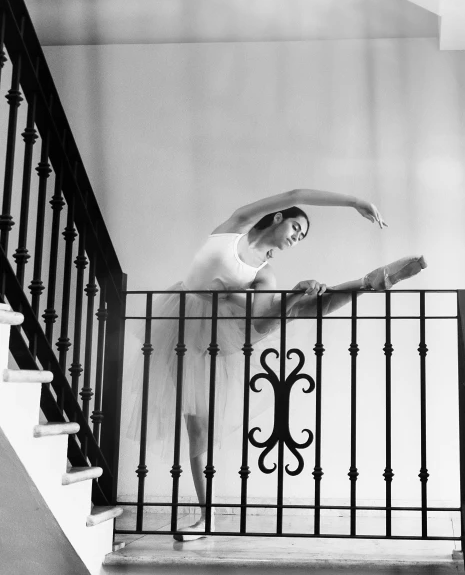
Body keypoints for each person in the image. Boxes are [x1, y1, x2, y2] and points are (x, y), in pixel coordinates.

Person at [132, 189, 426, 541]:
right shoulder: (233, 229)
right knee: (196, 430)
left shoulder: (264, 273)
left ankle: (366, 284)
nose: (297, 239)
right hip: (181, 322)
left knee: (291, 308)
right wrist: (353, 202)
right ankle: (363, 284)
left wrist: (293, 293)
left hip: (220, 331)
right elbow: (296, 193)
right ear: (277, 217)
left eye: (302, 238)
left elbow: (260, 320)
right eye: (296, 229)